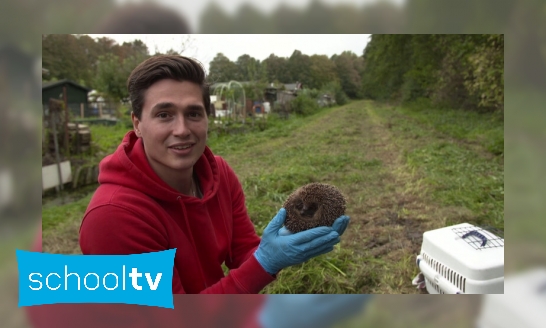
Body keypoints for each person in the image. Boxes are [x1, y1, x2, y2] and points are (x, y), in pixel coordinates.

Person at [78, 54, 350, 294]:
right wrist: (264, 263)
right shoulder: (113, 216)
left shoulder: (217, 174)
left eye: (194, 113)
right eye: (164, 115)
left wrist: (286, 240)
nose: (182, 129)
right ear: (137, 124)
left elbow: (243, 251)